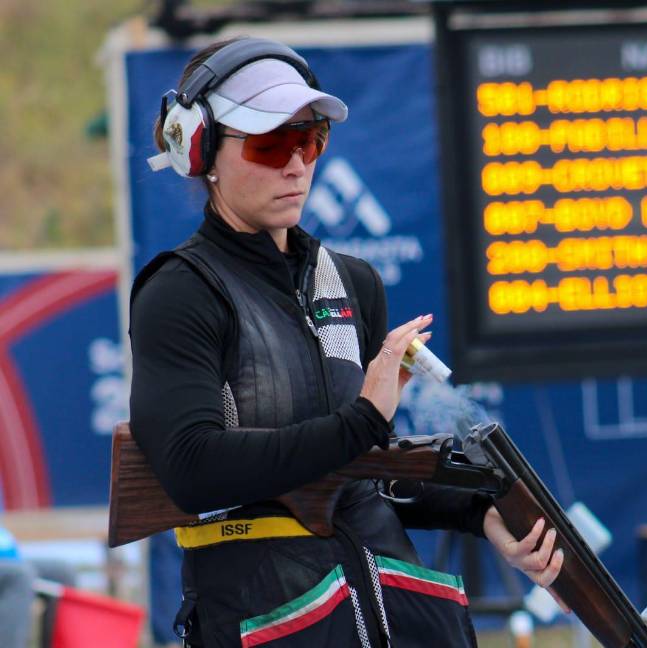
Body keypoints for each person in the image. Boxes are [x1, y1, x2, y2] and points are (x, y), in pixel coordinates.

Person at [131, 37, 563, 647]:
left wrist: (479, 512)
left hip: (396, 616)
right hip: (274, 618)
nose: (296, 163)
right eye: (269, 141)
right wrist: (362, 421)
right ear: (200, 149)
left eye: (308, 139)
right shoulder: (180, 292)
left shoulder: (352, 281)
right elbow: (192, 472)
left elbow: (358, 476)